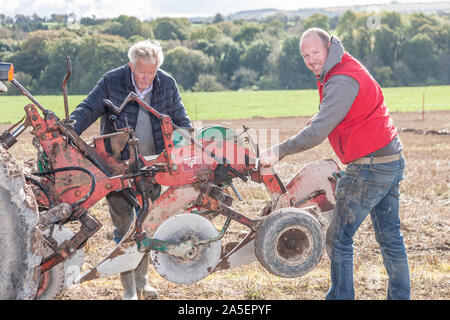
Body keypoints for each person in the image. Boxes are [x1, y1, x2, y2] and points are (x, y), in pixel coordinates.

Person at [260, 28, 410, 300]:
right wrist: (320, 118)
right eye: (305, 55)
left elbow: (316, 134)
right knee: (390, 237)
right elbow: (340, 113)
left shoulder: (341, 78)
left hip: (369, 166)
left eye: (315, 53)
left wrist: (278, 151)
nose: (311, 60)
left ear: (328, 47)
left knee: (339, 238)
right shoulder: (342, 66)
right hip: (390, 159)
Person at [69, 40, 192, 300]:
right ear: (131, 66)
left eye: (151, 72)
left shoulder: (166, 84)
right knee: (124, 229)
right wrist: (70, 129)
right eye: (141, 72)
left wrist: (186, 139)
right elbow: (88, 108)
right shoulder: (112, 81)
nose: (147, 78)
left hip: (152, 168)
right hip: (117, 168)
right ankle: (128, 290)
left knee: (146, 224)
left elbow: (181, 119)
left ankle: (142, 283)